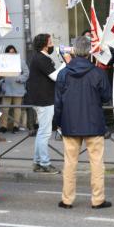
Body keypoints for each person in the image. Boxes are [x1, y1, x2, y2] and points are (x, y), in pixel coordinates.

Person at [54, 37, 113, 209]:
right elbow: (106, 97)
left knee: (69, 163)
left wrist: (57, 123)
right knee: (97, 163)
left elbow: (58, 103)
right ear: (89, 52)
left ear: (74, 51)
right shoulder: (98, 73)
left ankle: (67, 199)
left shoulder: (63, 73)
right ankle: (97, 199)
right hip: (94, 123)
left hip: (69, 123)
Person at [26, 33, 68, 174]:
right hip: (44, 100)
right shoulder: (41, 58)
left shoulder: (38, 58)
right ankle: (45, 163)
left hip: (40, 99)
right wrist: (65, 63)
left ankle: (37, 162)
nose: (52, 44)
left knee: (42, 132)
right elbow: (55, 76)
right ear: (44, 44)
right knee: (45, 133)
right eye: (50, 42)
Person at [0, 45, 29, 133]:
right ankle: (3, 126)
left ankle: (16, 126)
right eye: (9, 52)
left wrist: (20, 78)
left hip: (18, 87)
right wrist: (1, 81)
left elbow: (27, 73)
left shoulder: (21, 62)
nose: (11, 54)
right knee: (4, 108)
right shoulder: (3, 62)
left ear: (16, 52)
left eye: (13, 52)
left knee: (17, 108)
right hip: (6, 88)